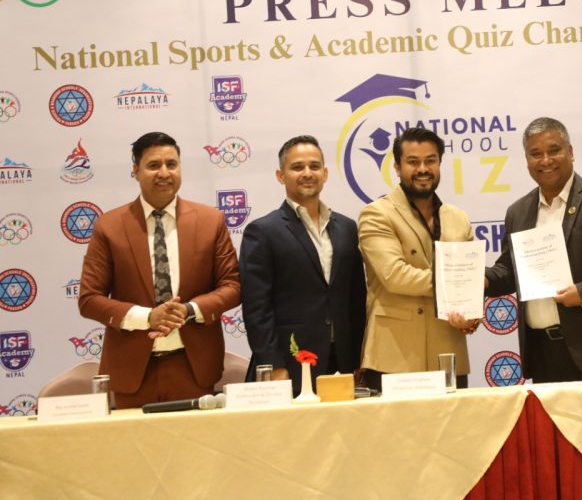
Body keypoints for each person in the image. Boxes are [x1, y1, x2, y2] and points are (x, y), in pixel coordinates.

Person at [78, 132, 241, 408]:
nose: (164, 173)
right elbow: (89, 299)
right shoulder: (109, 226)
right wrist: (147, 318)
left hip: (194, 367)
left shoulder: (210, 221)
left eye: (171, 164)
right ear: (135, 170)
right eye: (154, 165)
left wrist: (189, 310)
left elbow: (232, 287)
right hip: (131, 371)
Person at [485, 117, 582, 383]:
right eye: (536, 154)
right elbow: (511, 270)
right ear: (527, 160)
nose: (546, 160)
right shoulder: (518, 212)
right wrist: (484, 279)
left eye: (554, 150)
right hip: (543, 355)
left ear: (570, 152)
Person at [240, 135, 367, 395]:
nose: (307, 173)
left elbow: (356, 299)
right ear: (281, 175)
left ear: (325, 173)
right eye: (297, 167)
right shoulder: (262, 231)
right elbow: (257, 309)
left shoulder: (347, 228)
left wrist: (357, 359)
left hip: (342, 361)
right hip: (291, 363)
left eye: (314, 166)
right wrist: (274, 365)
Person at [358, 127, 478, 391]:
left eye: (430, 161)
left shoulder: (459, 218)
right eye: (413, 162)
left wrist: (470, 317)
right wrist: (455, 284)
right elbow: (395, 276)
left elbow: (470, 282)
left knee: (456, 420)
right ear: (397, 167)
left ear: (439, 164)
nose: (423, 169)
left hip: (448, 353)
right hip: (395, 355)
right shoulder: (377, 214)